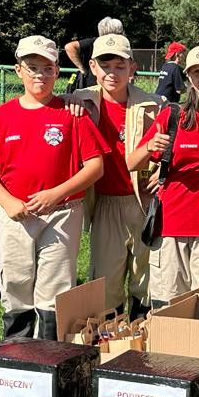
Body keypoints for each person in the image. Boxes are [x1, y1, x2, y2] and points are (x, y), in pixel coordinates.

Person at [0, 35, 107, 339]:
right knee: (16, 283)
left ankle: (48, 363)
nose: (39, 76)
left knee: (54, 291)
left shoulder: (72, 114)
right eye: (32, 67)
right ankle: (15, 355)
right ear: (18, 70)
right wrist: (7, 202)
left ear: (58, 71)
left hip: (62, 213)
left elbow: (95, 166)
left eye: (47, 69)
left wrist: (56, 193)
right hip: (16, 215)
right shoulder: (3, 116)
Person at [128, 44, 199, 306]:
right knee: (167, 305)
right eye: (197, 72)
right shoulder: (173, 115)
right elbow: (132, 163)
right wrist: (149, 146)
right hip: (170, 226)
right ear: (188, 78)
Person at [68, 33, 162, 318]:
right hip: (106, 202)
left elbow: (167, 151)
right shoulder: (78, 104)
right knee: (106, 282)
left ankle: (143, 341)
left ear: (133, 68)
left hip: (143, 201)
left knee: (145, 278)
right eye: (105, 65)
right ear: (92, 67)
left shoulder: (153, 105)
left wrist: (161, 174)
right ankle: (108, 345)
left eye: (120, 66)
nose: (112, 73)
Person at [64, 17, 124, 89]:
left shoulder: (94, 42)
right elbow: (69, 47)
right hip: (94, 87)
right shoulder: (120, 46)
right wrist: (82, 68)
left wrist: (82, 69)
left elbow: (69, 47)